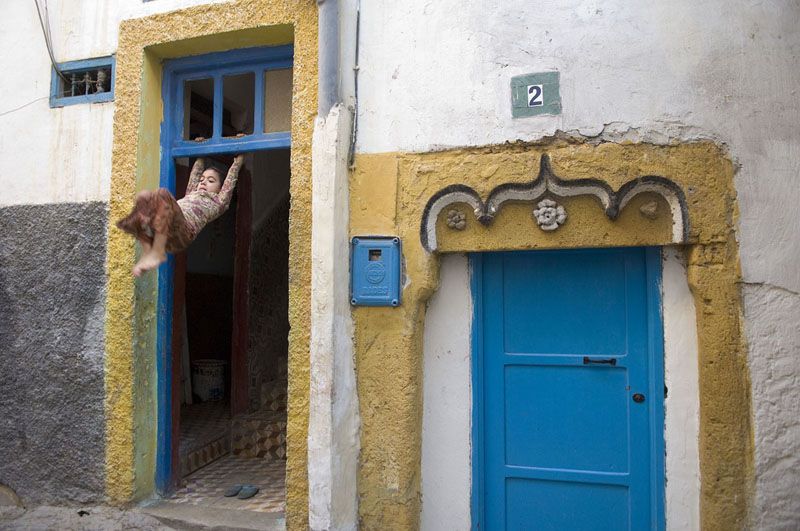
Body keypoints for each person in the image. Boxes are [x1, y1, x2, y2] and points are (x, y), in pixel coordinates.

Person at [117, 147, 245, 276]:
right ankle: (147, 253)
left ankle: (157, 252)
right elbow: (195, 174)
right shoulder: (191, 193)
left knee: (162, 194)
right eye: (202, 180)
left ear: (220, 189)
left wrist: (239, 160)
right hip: (167, 232)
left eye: (211, 180)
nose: (204, 182)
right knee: (143, 196)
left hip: (183, 232)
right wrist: (201, 153)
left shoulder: (219, 202)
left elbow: (231, 179)